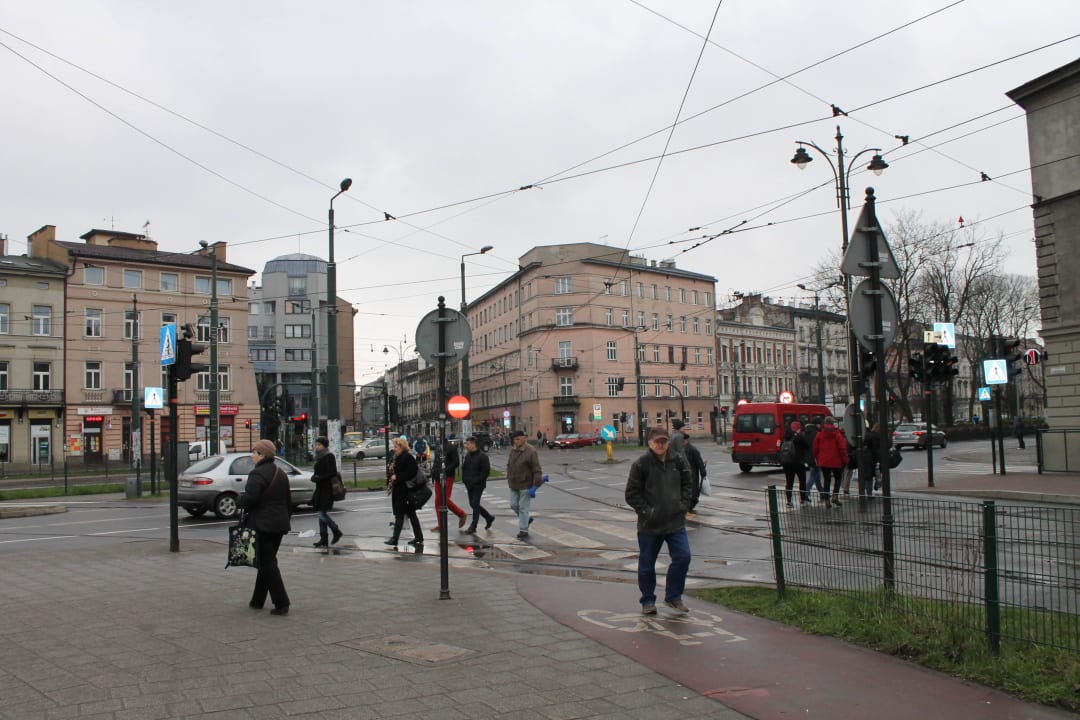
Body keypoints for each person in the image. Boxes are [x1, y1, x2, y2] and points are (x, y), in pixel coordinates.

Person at [625, 426, 693, 616]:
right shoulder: (641, 464)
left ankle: (674, 596)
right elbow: (631, 494)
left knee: (683, 557)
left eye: (664, 441)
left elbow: (688, 482)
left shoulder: (677, 460)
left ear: (668, 442)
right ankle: (648, 600)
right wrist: (648, 511)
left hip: (675, 522)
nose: (661, 445)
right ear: (650, 443)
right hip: (650, 525)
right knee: (647, 564)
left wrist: (683, 505)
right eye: (657, 442)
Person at [237, 439, 291, 615]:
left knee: (268, 564)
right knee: (265, 562)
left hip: (262, 525)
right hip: (279, 525)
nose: (252, 455)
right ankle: (257, 600)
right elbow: (287, 501)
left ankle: (281, 602)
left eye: (254, 452)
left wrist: (239, 500)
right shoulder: (280, 472)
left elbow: (251, 500)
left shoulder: (257, 474)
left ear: (261, 454)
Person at [385, 437, 424, 547]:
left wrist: (397, 477)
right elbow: (391, 470)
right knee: (411, 515)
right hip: (399, 490)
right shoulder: (396, 457)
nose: (394, 449)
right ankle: (418, 536)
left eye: (396, 447)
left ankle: (395, 539)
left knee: (399, 515)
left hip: (405, 491)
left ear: (402, 447)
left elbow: (411, 472)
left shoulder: (407, 457)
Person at [506, 430, 543, 539]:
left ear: (524, 438)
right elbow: (509, 464)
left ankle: (523, 530)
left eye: (517, 439)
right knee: (513, 505)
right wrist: (508, 476)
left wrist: (535, 485)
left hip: (525, 484)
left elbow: (537, 469)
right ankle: (526, 519)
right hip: (513, 483)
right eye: (514, 440)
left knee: (523, 507)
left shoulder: (531, 451)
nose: (515, 442)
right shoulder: (513, 450)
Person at [310, 436, 343, 548]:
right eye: (316, 444)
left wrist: (319, 478)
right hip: (320, 488)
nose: (317, 446)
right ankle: (324, 539)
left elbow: (332, 472)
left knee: (321, 513)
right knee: (320, 514)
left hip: (327, 489)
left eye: (319, 445)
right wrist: (314, 477)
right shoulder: (318, 457)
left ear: (324, 446)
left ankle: (336, 530)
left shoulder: (329, 456)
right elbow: (318, 472)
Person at [431, 437, 467, 532]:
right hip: (438, 477)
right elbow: (436, 461)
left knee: (444, 499)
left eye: (439, 435)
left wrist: (445, 470)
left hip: (447, 477)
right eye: (437, 435)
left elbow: (456, 463)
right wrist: (433, 472)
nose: (437, 437)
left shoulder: (451, 448)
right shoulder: (438, 447)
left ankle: (461, 514)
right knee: (437, 501)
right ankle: (440, 524)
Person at [812, 416, 848, 509]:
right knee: (838, 478)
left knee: (826, 480)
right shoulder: (837, 434)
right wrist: (845, 460)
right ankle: (835, 495)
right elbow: (842, 449)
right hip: (836, 460)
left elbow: (815, 448)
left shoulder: (819, 434)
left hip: (824, 461)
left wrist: (817, 458)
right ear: (833, 424)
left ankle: (827, 500)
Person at [462, 436, 495, 533]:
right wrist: (465, 480)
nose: (466, 446)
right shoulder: (468, 456)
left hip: (478, 485)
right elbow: (464, 469)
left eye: (468, 444)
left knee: (475, 504)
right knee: (472, 504)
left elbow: (485, 472)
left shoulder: (483, 456)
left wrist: (476, 481)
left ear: (473, 444)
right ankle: (488, 517)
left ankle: (473, 526)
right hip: (469, 485)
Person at [780, 421, 810, 507]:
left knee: (789, 482)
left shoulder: (786, 436)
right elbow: (806, 446)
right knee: (802, 481)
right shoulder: (800, 436)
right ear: (798, 428)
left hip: (787, 462)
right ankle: (803, 500)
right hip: (798, 462)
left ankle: (789, 501)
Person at [682, 430, 707, 515]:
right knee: (688, 490)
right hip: (685, 473)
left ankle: (691, 505)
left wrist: (703, 472)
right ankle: (688, 506)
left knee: (693, 490)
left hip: (693, 473)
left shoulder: (692, 449)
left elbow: (699, 461)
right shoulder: (681, 449)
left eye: (683, 440)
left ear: (686, 440)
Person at [804, 421, 824, 501]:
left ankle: (822, 493)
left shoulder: (804, 433)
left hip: (808, 458)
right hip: (815, 458)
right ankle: (806, 493)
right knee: (813, 476)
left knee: (816, 476)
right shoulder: (816, 434)